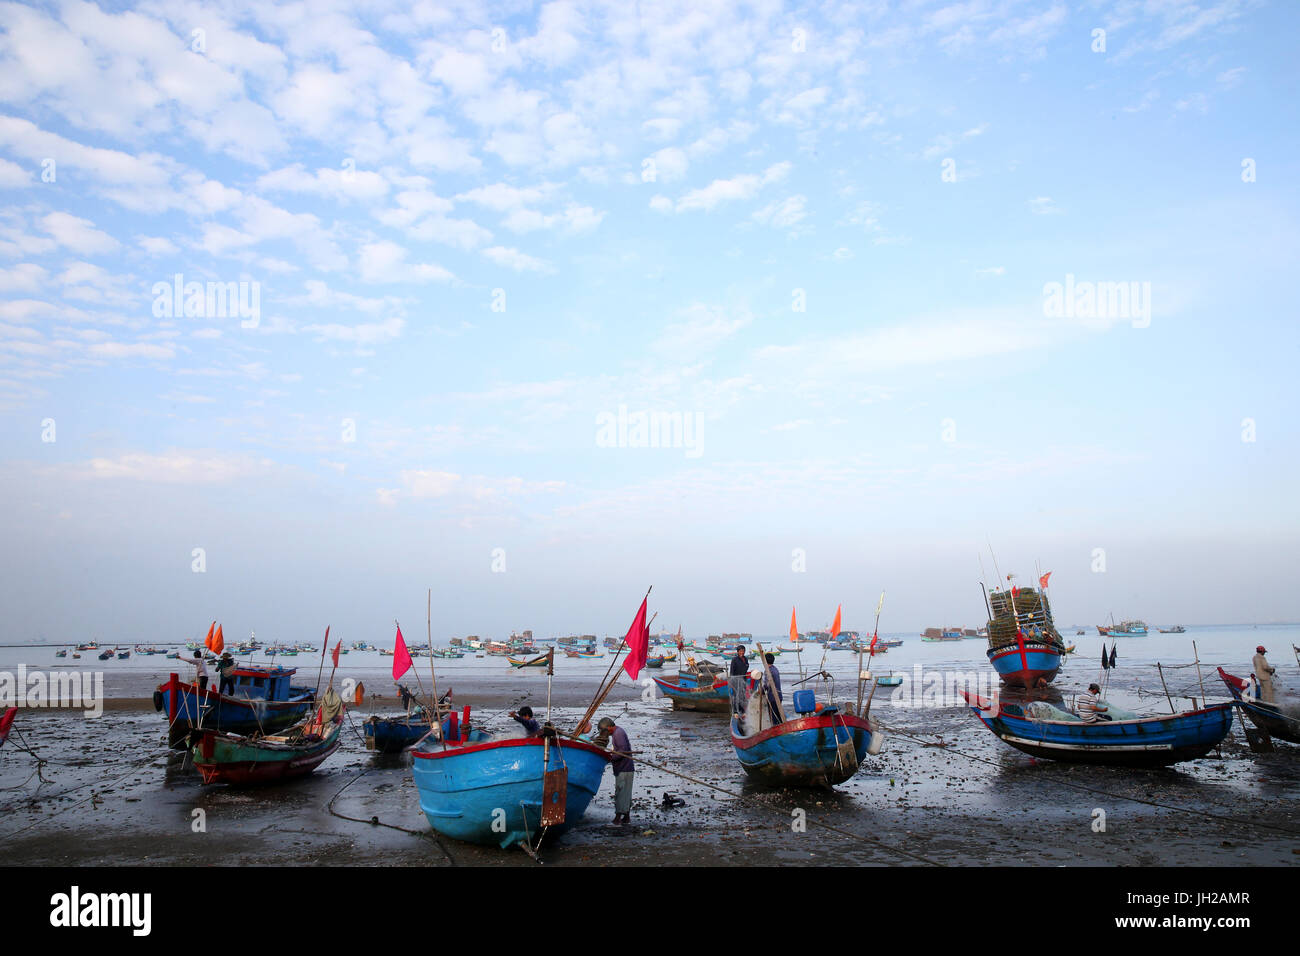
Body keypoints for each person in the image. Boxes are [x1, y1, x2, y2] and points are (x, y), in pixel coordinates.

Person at [598, 716, 634, 824]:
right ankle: (626, 817)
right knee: (624, 792)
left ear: (609, 727)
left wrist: (610, 758)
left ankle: (618, 818)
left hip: (625, 768)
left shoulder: (618, 733)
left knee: (621, 792)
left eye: (605, 731)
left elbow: (622, 751)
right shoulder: (616, 733)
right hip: (623, 768)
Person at [763, 653, 783, 724]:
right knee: (779, 715)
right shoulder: (775, 669)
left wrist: (761, 691)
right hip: (779, 696)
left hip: (773, 697)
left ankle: (776, 731)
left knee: (773, 718)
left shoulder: (768, 671)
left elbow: (767, 685)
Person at [729, 645, 750, 714]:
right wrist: (732, 682)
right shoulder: (734, 659)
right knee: (736, 696)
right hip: (736, 680)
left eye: (743, 651)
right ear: (737, 652)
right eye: (740, 651)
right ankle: (735, 711)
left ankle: (741, 710)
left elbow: (746, 668)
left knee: (743, 695)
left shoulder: (745, 659)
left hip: (743, 680)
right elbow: (732, 671)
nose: (742, 652)